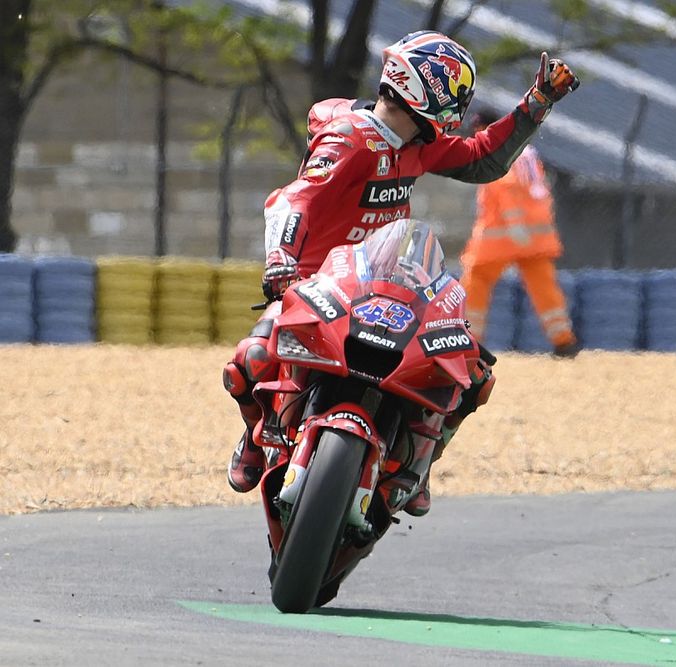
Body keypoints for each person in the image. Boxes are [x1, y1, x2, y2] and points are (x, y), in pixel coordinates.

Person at [222, 30, 579, 517]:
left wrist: (536, 103)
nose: (459, 108)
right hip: (316, 285)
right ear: (425, 90)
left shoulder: (419, 144)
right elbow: (294, 198)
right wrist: (281, 263)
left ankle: (417, 465)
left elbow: (482, 159)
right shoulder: (349, 138)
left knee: (472, 377)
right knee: (251, 360)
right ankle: (255, 437)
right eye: (455, 95)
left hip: (384, 284)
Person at [459, 108, 578, 357]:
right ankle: (563, 341)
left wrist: (514, 224)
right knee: (543, 285)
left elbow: (504, 186)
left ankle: (466, 340)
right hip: (537, 233)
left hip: (504, 234)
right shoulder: (527, 151)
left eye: (477, 130)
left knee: (475, 280)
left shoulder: (495, 149)